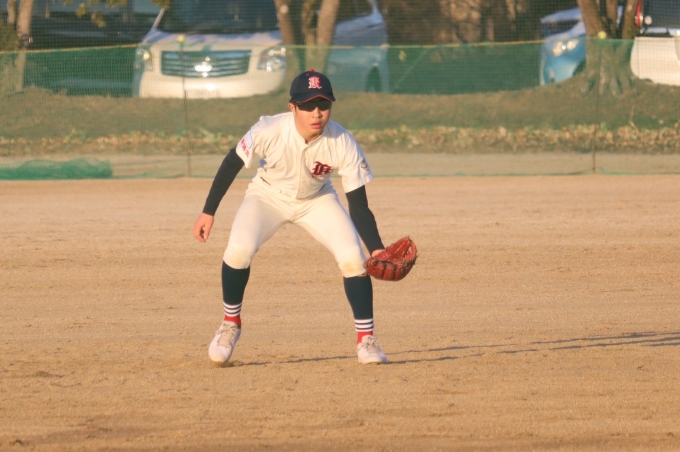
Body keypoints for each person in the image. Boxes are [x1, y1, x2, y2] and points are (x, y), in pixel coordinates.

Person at [193, 69, 388, 366]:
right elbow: (232, 162)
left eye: (323, 104)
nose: (316, 113)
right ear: (292, 107)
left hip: (317, 200)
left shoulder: (342, 141)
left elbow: (358, 205)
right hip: (267, 196)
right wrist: (209, 211)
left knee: (353, 258)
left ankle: (366, 339)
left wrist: (376, 248)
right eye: (307, 105)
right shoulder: (269, 129)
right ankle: (230, 324)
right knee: (238, 250)